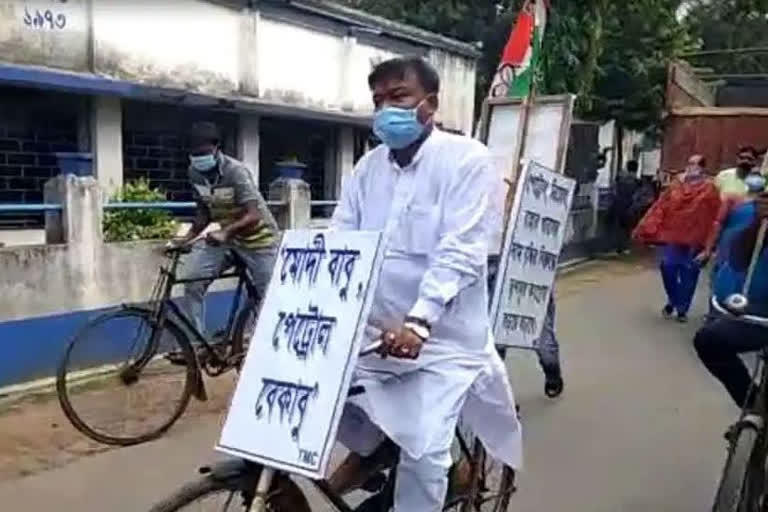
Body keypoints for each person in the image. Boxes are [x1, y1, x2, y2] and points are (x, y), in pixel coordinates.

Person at [327, 57, 521, 511]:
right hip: (377, 337)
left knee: (425, 453)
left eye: (398, 97)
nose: (385, 110)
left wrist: (419, 322)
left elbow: (461, 251)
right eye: (378, 101)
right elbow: (340, 239)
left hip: (441, 342)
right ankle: (373, 449)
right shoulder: (367, 168)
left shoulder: (467, 161)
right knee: (318, 403)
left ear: (429, 104)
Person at [172, 122, 278, 334]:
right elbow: (203, 213)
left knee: (270, 298)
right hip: (228, 241)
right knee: (193, 282)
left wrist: (225, 232)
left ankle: (260, 347)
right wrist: (186, 238)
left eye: (203, 153)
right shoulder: (194, 173)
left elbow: (254, 214)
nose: (198, 158)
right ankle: (197, 346)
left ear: (216, 148)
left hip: (260, 242)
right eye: (194, 154)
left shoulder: (235, 171)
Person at [694, 190, 768, 409]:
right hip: (759, 315)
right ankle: (753, 406)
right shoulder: (758, 221)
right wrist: (758, 222)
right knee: (708, 341)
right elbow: (738, 260)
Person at [632, 155, 721, 322]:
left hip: (696, 239)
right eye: (689, 163)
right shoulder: (675, 185)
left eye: (695, 164)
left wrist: (710, 245)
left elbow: (715, 217)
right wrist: (645, 227)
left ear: (702, 167)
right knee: (668, 267)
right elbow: (660, 207)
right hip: (673, 237)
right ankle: (673, 300)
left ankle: (682, 309)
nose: (691, 166)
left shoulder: (710, 189)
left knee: (689, 273)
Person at [487, 256, 563, 397]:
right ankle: (552, 374)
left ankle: (497, 392)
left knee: (495, 336)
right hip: (529, 259)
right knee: (539, 328)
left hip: (495, 257)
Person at [613, 161, 640, 253]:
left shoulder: (620, 178)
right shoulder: (637, 181)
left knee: (619, 227)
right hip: (629, 206)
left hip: (618, 205)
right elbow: (637, 196)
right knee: (627, 228)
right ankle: (625, 247)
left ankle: (618, 246)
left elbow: (615, 189)